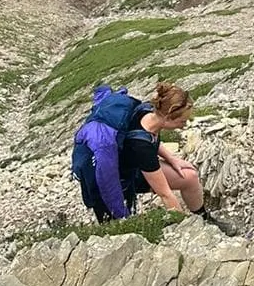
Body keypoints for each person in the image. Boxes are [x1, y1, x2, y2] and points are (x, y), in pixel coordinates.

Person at [73, 81, 232, 231]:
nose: (185, 124)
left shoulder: (149, 110)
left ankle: (204, 218)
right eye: (182, 121)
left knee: (189, 177)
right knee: (117, 228)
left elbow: (152, 137)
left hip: (131, 162)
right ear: (168, 118)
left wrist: (172, 159)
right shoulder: (141, 147)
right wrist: (188, 230)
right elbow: (165, 194)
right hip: (110, 175)